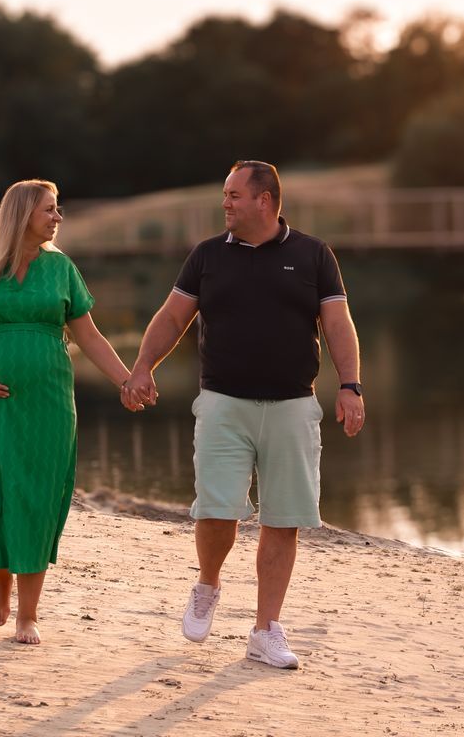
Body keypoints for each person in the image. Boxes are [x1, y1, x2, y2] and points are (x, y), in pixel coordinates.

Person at [122, 160, 364, 670]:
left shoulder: (313, 254)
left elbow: (338, 323)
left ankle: (265, 630)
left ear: (265, 200)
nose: (225, 203)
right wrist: (142, 365)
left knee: (284, 518)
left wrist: (350, 386)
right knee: (215, 508)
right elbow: (172, 317)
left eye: (234, 195)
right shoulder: (208, 255)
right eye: (224, 195)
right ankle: (207, 584)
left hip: (293, 405)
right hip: (223, 403)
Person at [0, 179, 138, 645]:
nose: (57, 217)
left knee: (36, 496)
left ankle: (28, 615)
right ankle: (0, 580)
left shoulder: (61, 268)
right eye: (49, 209)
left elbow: (89, 336)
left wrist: (126, 380)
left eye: (59, 208)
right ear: (22, 214)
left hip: (48, 401)